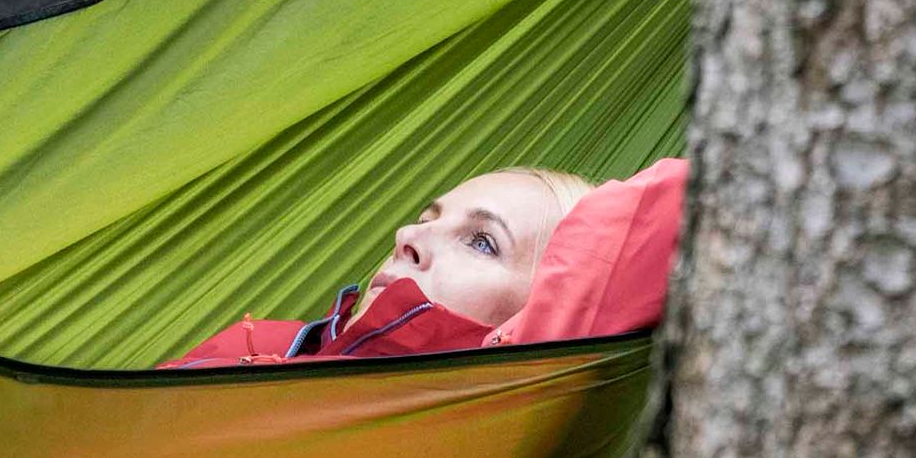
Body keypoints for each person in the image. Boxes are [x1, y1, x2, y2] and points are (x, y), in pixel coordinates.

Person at [161, 159, 688, 367]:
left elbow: (678, 210)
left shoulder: (466, 433)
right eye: (427, 217)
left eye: (482, 242)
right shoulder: (260, 345)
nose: (408, 236)